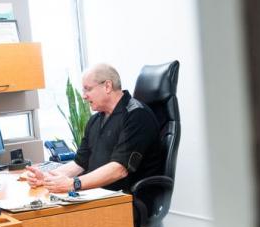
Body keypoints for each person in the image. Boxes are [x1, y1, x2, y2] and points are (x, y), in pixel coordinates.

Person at [26, 63, 163, 195]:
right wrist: (46, 178)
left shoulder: (136, 115)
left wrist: (73, 184)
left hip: (126, 200)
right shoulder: (95, 120)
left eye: (88, 89)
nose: (84, 96)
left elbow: (119, 169)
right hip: (97, 195)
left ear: (107, 86)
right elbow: (79, 163)